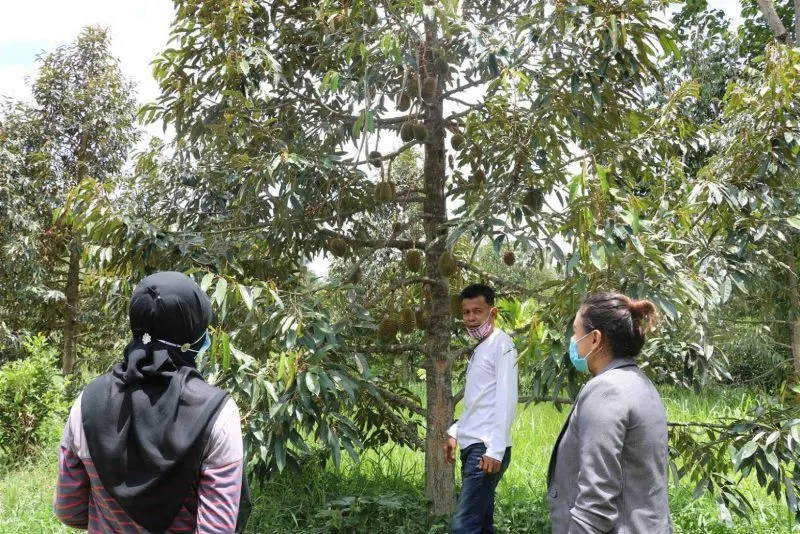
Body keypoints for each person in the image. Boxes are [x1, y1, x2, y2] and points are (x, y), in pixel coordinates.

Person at [54, 271, 246, 533]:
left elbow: (69, 509)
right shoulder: (218, 414)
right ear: (192, 334)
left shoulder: (86, 403)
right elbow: (217, 528)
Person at [548, 292, 673, 533]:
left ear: (595, 339)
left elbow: (596, 502)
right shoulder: (640, 383)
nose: (573, 341)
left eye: (576, 332)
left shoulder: (606, 390)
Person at [445, 284, 518, 534]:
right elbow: (478, 401)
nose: (471, 318)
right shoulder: (481, 349)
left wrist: (495, 450)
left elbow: (506, 398)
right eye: (466, 312)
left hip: (485, 449)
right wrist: (455, 432)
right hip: (473, 446)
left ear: (493, 312)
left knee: (463, 527)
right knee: (483, 525)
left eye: (478, 311)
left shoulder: (502, 344)